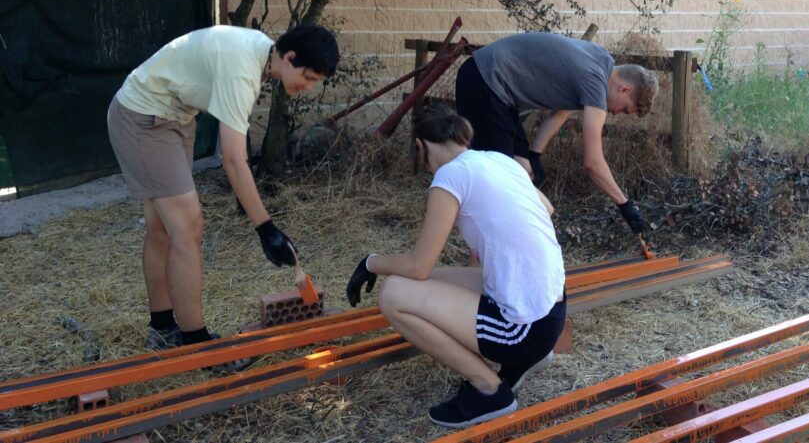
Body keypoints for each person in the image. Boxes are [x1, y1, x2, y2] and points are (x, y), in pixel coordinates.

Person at [107, 24, 339, 360]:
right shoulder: (243, 69)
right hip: (144, 116)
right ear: (289, 57)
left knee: (162, 229)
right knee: (188, 228)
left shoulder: (261, 53)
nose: (308, 87)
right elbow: (233, 159)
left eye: (315, 81)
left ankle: (162, 330)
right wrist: (266, 228)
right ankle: (197, 344)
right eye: (308, 76)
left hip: (175, 115)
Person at [346, 105, 566, 429]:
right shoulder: (498, 160)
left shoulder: (448, 176)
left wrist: (371, 263)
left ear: (420, 146)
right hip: (553, 311)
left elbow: (419, 265)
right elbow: (546, 209)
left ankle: (490, 390)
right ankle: (528, 357)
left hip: (525, 328)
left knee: (394, 293)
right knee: (416, 282)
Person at [454, 31, 658, 240]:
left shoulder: (601, 61)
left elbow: (562, 110)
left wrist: (535, 153)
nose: (615, 114)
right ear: (624, 89)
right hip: (484, 82)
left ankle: (510, 241)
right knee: (501, 178)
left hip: (495, 89)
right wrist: (625, 204)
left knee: (524, 169)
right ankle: (482, 254)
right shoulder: (595, 84)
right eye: (624, 109)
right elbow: (593, 163)